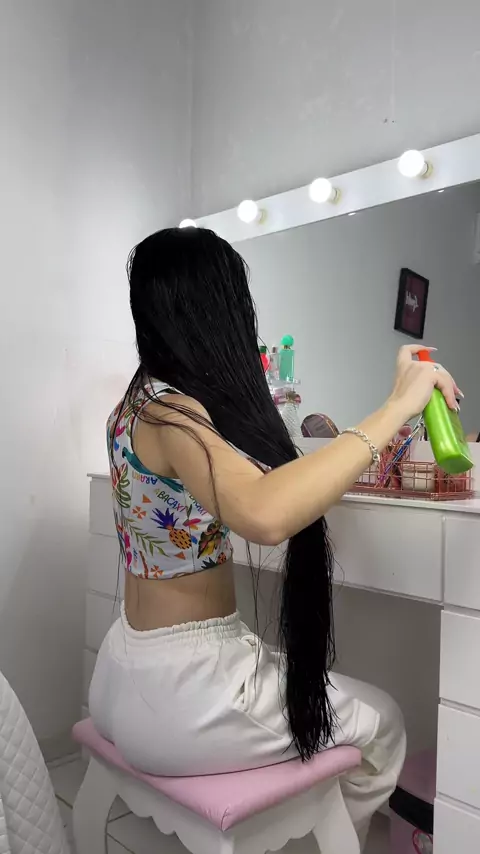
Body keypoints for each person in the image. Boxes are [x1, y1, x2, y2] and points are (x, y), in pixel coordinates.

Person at [89, 227, 459, 849]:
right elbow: (264, 513)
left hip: (122, 672)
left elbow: (253, 487)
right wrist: (397, 406)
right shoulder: (177, 413)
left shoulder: (132, 408)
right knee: (384, 721)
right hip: (182, 696)